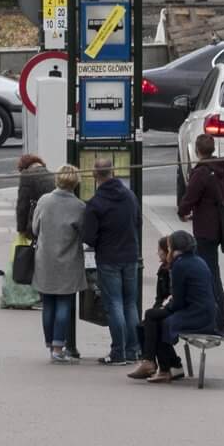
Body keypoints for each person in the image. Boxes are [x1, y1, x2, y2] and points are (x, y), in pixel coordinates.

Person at [81, 155, 142, 366]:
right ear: (113, 172)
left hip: (108, 258)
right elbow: (138, 221)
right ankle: (134, 350)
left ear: (95, 175)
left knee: (114, 304)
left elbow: (89, 237)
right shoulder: (130, 196)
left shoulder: (96, 203)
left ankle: (118, 352)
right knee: (130, 304)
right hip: (131, 255)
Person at [140, 230, 218, 384]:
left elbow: (178, 302)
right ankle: (162, 366)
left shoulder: (180, 265)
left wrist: (165, 309)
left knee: (156, 319)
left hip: (197, 316)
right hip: (205, 313)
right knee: (154, 318)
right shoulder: (197, 260)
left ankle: (154, 363)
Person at [29, 165, 88, 363]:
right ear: (75, 182)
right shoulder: (79, 206)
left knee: (48, 303)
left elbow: (35, 228)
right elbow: (83, 233)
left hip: (45, 259)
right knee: (64, 303)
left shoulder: (44, 201)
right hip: (68, 260)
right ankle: (58, 347)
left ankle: (50, 345)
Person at [177, 134, 224, 336]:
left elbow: (190, 196)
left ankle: (219, 322)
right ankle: (217, 319)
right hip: (219, 228)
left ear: (197, 151)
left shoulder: (201, 172)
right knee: (212, 273)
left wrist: (182, 211)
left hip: (205, 230)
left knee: (209, 275)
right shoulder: (222, 170)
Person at [2, 154, 49, 310]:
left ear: (23, 167)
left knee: (33, 259)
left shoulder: (27, 176)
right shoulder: (49, 174)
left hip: (37, 224)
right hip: (54, 224)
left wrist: (21, 229)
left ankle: (36, 296)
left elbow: (22, 205)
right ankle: (44, 295)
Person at [129, 236, 176, 379]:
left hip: (174, 308)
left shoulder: (174, 269)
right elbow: (159, 297)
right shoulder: (163, 269)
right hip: (166, 306)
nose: (158, 253)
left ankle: (151, 362)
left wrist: (162, 308)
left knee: (155, 321)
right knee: (144, 325)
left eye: (160, 250)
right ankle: (167, 364)